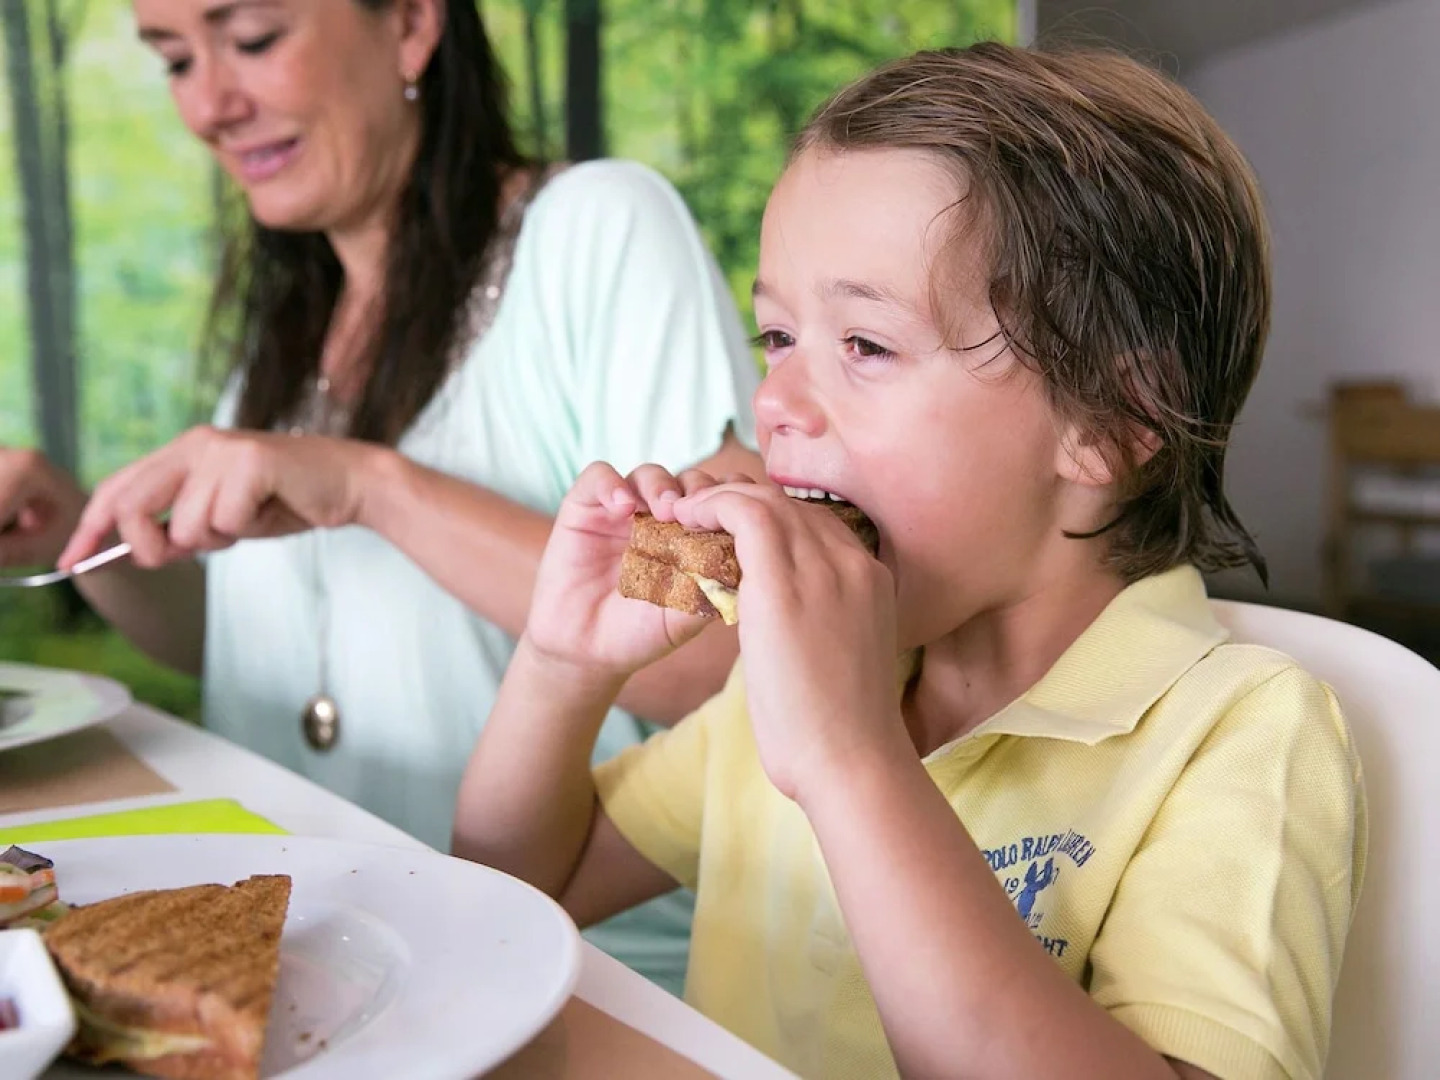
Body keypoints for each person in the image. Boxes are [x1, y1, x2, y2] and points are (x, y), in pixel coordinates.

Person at [451, 43, 1367, 1079]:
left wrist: (850, 761)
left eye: (866, 346)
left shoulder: (1240, 733)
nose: (774, 406)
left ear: (1113, 422)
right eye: (778, 337)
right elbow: (519, 887)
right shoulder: (799, 670)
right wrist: (563, 668)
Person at [0, 0, 763, 995]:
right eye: (175, 60)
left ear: (409, 24)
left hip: (571, 974)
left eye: (254, 40)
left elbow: (717, 646)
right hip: (311, 959)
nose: (210, 105)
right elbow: (243, 655)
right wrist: (75, 532)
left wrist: (371, 485)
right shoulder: (290, 325)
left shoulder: (598, 228)